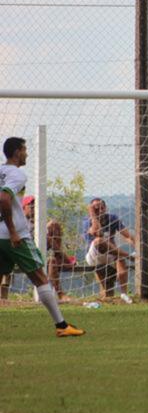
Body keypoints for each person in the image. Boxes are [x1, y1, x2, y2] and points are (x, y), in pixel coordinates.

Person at [0, 137, 84, 336]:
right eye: (25, 149)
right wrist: (12, 231)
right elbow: (4, 198)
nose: (27, 153)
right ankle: (62, 326)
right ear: (17, 152)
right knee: (40, 277)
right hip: (15, 236)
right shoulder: (17, 174)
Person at [21, 195, 74, 301]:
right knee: (47, 238)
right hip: (25, 253)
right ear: (23, 208)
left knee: (54, 225)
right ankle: (65, 259)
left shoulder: (38, 222)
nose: (34, 208)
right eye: (31, 205)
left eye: (35, 205)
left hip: (40, 251)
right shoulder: (20, 222)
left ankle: (60, 294)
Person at [83, 198, 135, 303]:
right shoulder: (87, 221)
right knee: (99, 241)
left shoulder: (112, 218)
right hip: (94, 255)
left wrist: (136, 245)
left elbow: (127, 236)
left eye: (102, 208)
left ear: (105, 208)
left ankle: (124, 294)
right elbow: (97, 232)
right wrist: (93, 215)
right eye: (96, 209)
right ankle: (129, 256)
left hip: (111, 253)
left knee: (120, 259)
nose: (100, 210)